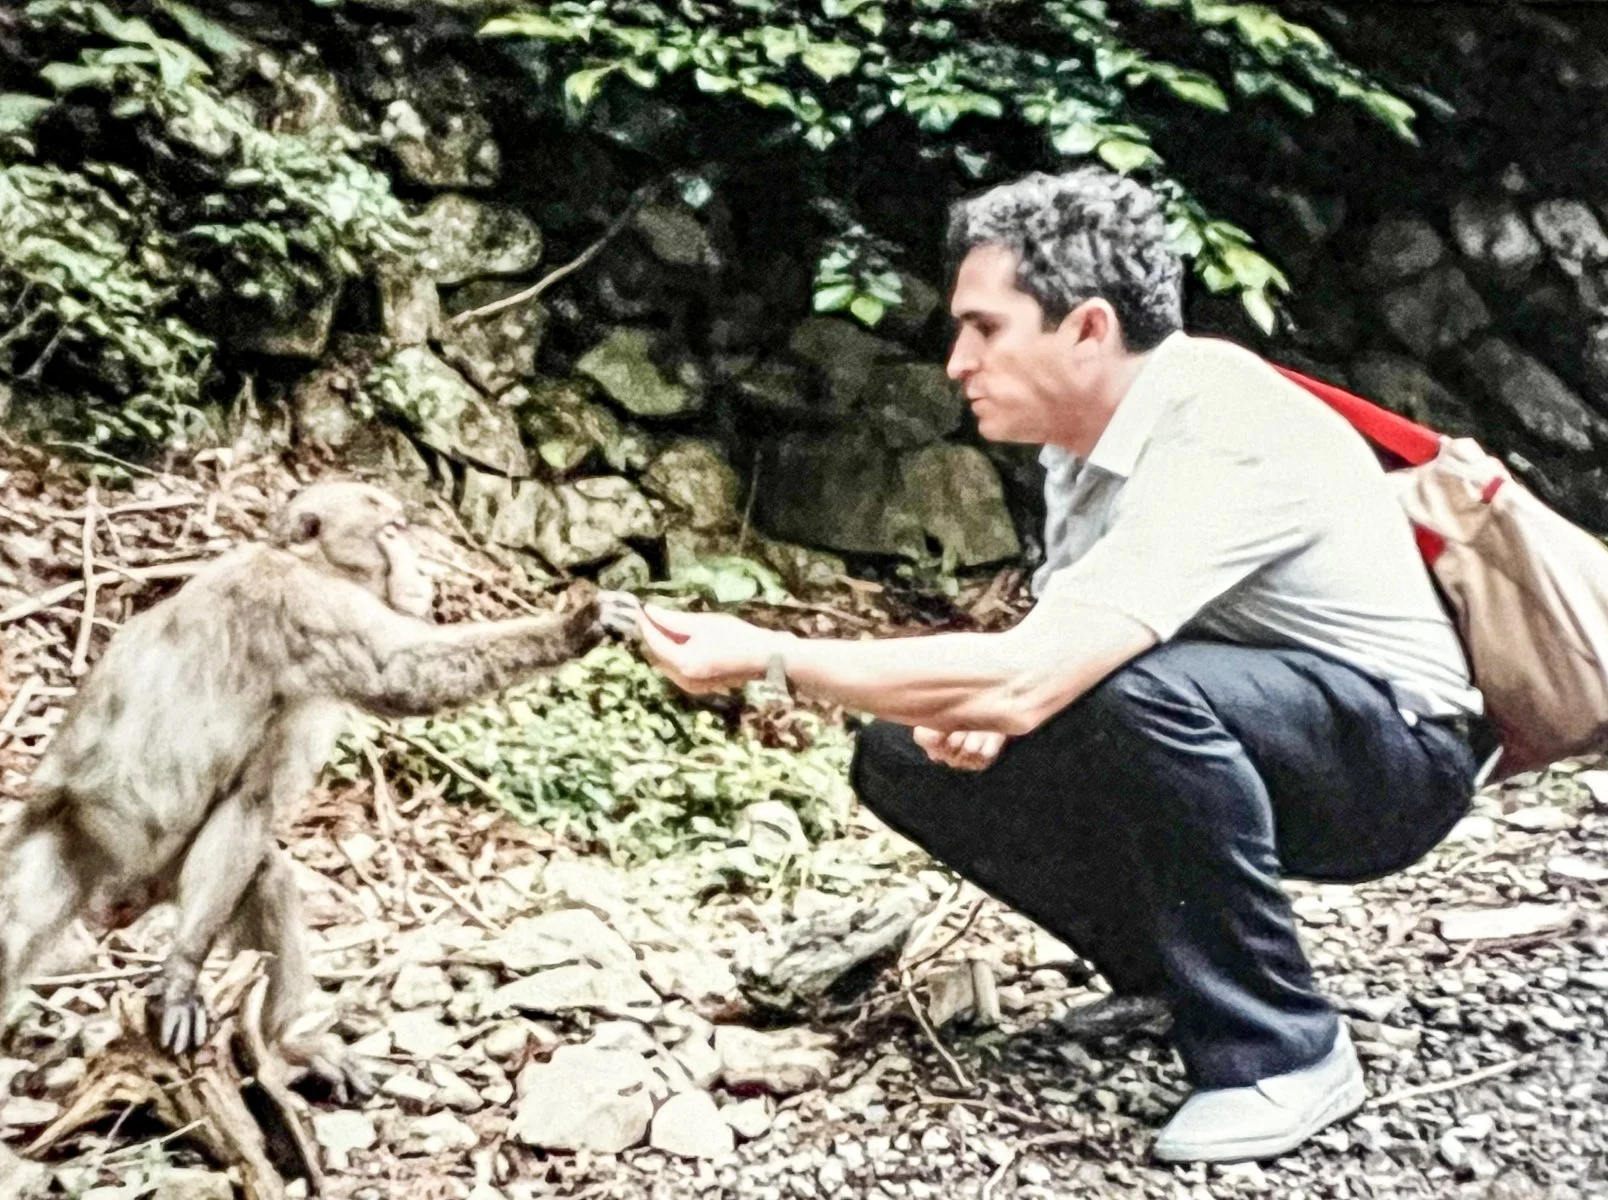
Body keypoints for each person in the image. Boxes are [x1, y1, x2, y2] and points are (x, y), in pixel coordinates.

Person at [628, 166, 1492, 1164]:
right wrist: (988, 706)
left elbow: (1039, 674)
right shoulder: (1084, 443)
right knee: (903, 750)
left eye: (984, 329)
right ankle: (1175, 981)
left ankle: (1282, 1052)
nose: (956, 362)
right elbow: (1046, 657)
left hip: (1397, 762)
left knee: (1131, 699)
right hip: (1260, 723)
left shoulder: (1222, 424)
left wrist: (774, 656)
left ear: (1086, 329)